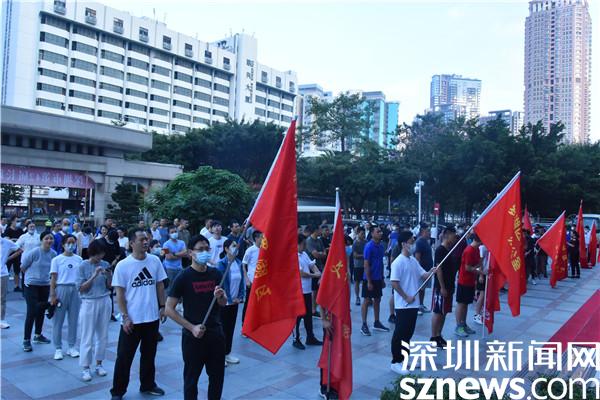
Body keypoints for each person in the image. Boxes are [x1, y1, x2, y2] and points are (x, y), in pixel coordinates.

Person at [165, 234, 227, 400]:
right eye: (200, 249)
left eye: (207, 249)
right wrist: (191, 327)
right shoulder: (183, 277)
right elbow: (169, 309)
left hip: (215, 334)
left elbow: (223, 303)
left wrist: (221, 296)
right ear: (191, 253)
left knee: (217, 378)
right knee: (191, 380)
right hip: (193, 337)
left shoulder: (216, 274)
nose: (205, 252)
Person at [110, 229, 167, 399]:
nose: (146, 242)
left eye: (147, 239)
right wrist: (125, 317)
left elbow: (160, 285)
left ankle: (148, 384)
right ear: (132, 243)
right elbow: (120, 294)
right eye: (141, 239)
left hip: (151, 318)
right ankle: (118, 391)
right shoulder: (123, 265)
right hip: (132, 320)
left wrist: (162, 306)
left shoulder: (155, 261)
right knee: (124, 357)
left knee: (149, 355)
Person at [390, 231, 435, 374]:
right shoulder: (398, 262)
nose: (413, 244)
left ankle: (404, 358)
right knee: (400, 333)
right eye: (411, 242)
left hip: (413, 304)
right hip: (403, 305)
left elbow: (423, 275)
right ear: (404, 244)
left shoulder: (413, 260)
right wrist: (406, 297)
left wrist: (431, 271)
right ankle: (395, 362)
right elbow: (394, 283)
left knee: (408, 333)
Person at [78, 240, 112, 382]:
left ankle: (99, 364)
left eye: (102, 254)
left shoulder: (105, 264)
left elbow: (110, 286)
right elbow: (81, 288)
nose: (100, 257)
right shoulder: (83, 265)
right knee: (87, 335)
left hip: (104, 299)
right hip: (89, 302)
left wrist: (108, 275)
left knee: (103, 335)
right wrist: (93, 275)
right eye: (98, 254)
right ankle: (86, 367)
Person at [21, 231, 56, 352]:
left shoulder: (53, 254)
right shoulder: (35, 252)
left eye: (51, 238)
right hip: (31, 285)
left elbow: (54, 271)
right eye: (46, 238)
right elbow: (23, 267)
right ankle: (26, 340)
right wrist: (31, 277)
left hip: (45, 285)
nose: (49, 240)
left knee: (40, 311)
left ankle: (38, 335)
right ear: (41, 240)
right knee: (32, 311)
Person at [50, 234, 82, 360]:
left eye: (73, 242)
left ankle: (72, 346)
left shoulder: (79, 259)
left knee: (73, 319)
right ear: (63, 244)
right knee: (58, 320)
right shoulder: (57, 260)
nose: (71, 245)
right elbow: (53, 278)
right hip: (61, 288)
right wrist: (52, 294)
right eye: (68, 242)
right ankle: (58, 348)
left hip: (75, 289)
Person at [216, 239, 245, 365]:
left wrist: (240, 297)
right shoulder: (221, 264)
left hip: (235, 302)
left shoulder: (238, 262)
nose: (236, 248)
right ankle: (219, 355)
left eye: (237, 246)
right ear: (226, 249)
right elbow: (222, 283)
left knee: (231, 328)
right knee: (222, 328)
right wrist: (229, 298)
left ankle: (227, 353)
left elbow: (241, 282)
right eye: (233, 246)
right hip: (225, 302)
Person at [430, 226, 458, 348]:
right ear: (447, 234)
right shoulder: (440, 250)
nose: (455, 238)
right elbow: (439, 269)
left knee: (444, 311)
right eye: (453, 235)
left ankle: (439, 334)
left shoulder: (450, 249)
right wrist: (442, 287)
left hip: (450, 285)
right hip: (441, 287)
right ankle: (433, 336)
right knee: (438, 311)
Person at [293, 234, 322, 350]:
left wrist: (318, 272)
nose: (305, 246)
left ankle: (310, 337)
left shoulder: (304, 254)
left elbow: (311, 264)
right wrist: (315, 275)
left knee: (308, 315)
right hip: (298, 291)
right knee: (298, 316)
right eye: (303, 244)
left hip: (307, 290)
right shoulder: (294, 256)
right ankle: (296, 339)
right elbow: (301, 273)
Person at [361, 226, 390, 336]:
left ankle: (376, 322)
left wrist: (382, 278)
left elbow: (381, 263)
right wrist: (369, 281)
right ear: (372, 233)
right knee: (367, 300)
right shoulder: (369, 246)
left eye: (380, 231)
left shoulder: (381, 246)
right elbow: (366, 264)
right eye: (378, 232)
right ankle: (364, 324)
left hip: (378, 278)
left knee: (377, 299)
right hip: (369, 278)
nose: (380, 233)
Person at [455, 234, 483, 337]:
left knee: (466, 304)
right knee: (461, 304)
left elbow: (477, 263)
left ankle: (463, 324)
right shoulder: (469, 250)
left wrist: (480, 265)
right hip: (464, 281)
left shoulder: (477, 249)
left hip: (471, 281)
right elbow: (467, 268)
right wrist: (480, 272)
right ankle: (459, 326)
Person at [241, 230, 262, 327]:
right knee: (249, 303)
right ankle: (244, 324)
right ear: (256, 238)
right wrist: (246, 279)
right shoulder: (250, 250)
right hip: (252, 281)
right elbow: (243, 264)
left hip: (261, 281)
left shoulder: (264, 249)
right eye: (262, 237)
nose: (263, 239)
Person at [305, 225, 327, 317]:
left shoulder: (319, 240)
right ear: (315, 230)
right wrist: (321, 254)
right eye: (319, 229)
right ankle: (313, 310)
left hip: (320, 266)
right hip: (312, 268)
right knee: (314, 290)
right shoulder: (309, 241)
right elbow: (315, 255)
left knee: (319, 289)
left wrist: (320, 253)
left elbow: (324, 253)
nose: (321, 231)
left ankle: (316, 308)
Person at [413, 225, 433, 315]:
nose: (430, 233)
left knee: (423, 289)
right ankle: (417, 307)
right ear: (423, 232)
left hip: (427, 270)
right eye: (428, 231)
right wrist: (419, 271)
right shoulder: (419, 242)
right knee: (419, 288)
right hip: (422, 271)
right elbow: (417, 257)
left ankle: (421, 305)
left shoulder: (426, 241)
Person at [1, 237, 20, 328]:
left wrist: (8, 258)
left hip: (2, 273)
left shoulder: (6, 242)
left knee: (2, 298)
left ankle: (1, 320)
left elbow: (19, 250)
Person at [4, 217, 24, 291]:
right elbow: (7, 240)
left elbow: (22, 240)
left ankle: (16, 286)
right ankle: (4, 287)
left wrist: (13, 240)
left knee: (17, 271)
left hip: (18, 253)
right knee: (6, 271)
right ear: (12, 221)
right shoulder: (8, 230)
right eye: (17, 221)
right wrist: (16, 240)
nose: (18, 222)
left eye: (19, 221)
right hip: (9, 253)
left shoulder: (20, 230)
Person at [352, 227, 367, 306]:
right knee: (357, 282)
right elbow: (355, 255)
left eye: (364, 234)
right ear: (358, 234)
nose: (363, 235)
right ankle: (357, 297)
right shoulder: (355, 243)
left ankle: (366, 297)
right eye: (362, 234)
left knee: (365, 281)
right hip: (357, 265)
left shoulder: (366, 242)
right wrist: (364, 255)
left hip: (365, 265)